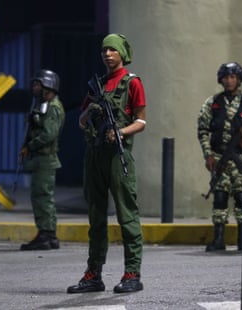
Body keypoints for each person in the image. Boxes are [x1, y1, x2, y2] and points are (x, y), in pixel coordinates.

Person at [67, 33, 147, 294]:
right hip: (95, 156)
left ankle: (132, 273)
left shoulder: (132, 83)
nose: (107, 54)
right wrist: (90, 113)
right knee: (96, 217)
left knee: (127, 215)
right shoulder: (97, 85)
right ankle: (93, 274)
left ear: (122, 53)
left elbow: (141, 121)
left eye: (112, 50)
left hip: (117, 155)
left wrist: (121, 132)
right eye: (104, 50)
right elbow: (80, 122)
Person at [197, 62, 242, 252]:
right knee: (219, 196)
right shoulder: (212, 103)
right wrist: (208, 155)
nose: (229, 81)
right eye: (226, 77)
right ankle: (218, 238)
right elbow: (203, 130)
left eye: (233, 77)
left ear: (239, 79)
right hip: (220, 157)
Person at [19, 69, 65, 251]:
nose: (35, 88)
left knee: (42, 197)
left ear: (48, 86)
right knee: (43, 197)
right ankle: (48, 234)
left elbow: (48, 134)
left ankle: (45, 234)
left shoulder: (53, 107)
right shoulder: (44, 105)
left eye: (38, 84)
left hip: (45, 159)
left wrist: (30, 146)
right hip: (42, 159)